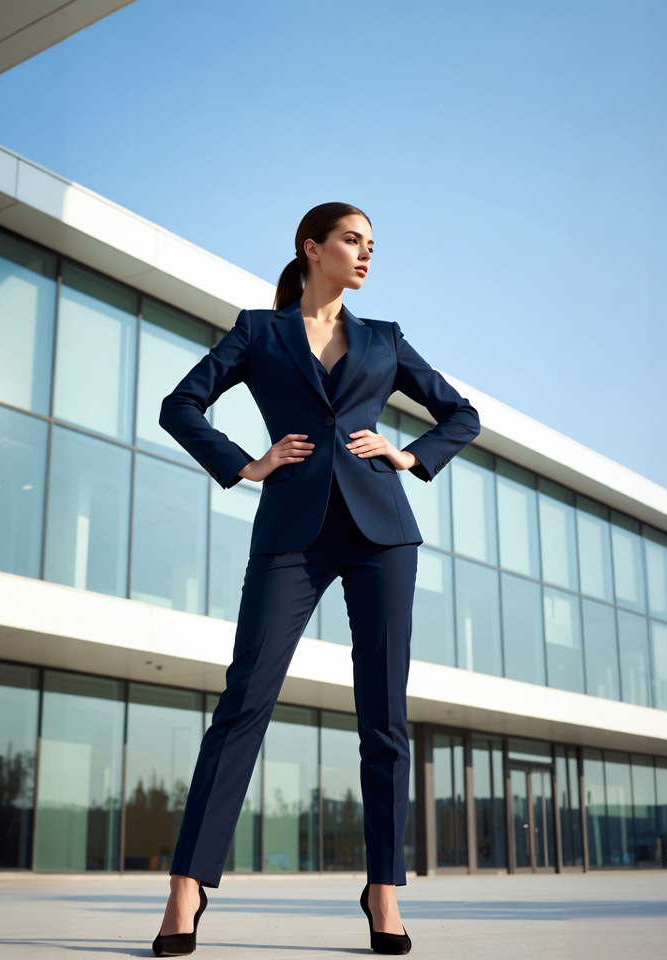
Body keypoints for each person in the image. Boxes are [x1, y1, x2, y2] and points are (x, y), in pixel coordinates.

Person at [152, 202, 480, 956]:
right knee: (243, 703)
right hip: (291, 534)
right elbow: (181, 404)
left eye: (372, 245)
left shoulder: (383, 339)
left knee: (383, 717)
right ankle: (188, 885)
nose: (366, 254)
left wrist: (409, 455)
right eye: (352, 241)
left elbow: (462, 415)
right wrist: (245, 462)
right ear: (312, 248)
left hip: (382, 534)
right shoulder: (257, 332)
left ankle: (384, 891)